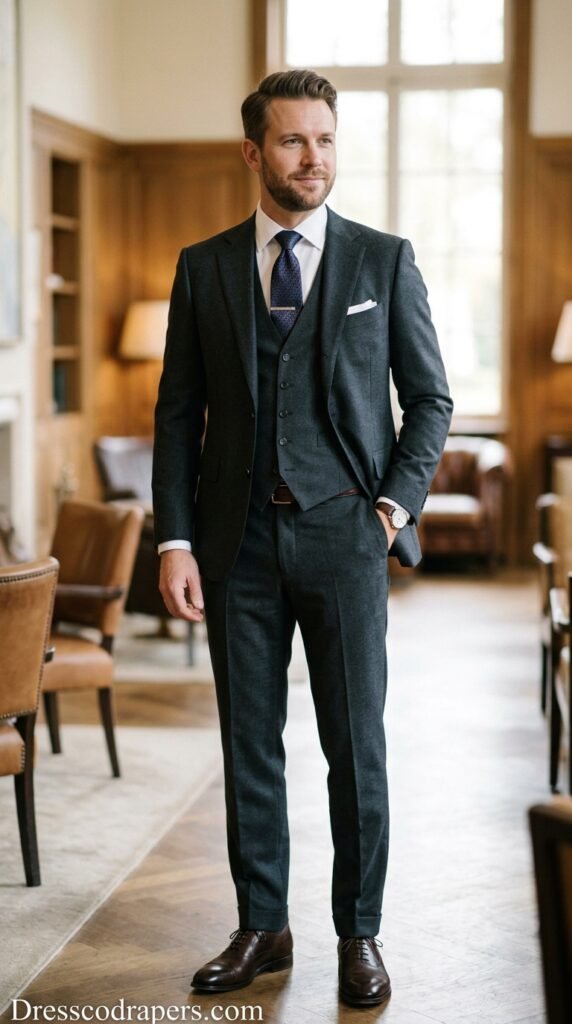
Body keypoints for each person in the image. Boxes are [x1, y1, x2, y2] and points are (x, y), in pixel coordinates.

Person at [152, 69, 453, 1008]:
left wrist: (393, 508)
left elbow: (432, 401)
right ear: (254, 151)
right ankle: (262, 927)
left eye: (324, 139)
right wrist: (175, 542)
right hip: (234, 545)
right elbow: (177, 415)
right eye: (292, 141)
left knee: (355, 747)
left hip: (346, 541)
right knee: (250, 745)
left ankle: (358, 933)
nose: (312, 157)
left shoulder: (383, 261)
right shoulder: (203, 267)